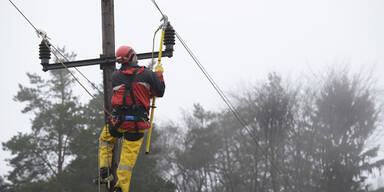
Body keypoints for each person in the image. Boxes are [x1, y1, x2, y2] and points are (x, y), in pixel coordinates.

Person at [98, 45, 165, 192]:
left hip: (117, 121)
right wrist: (159, 74)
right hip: (136, 123)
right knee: (127, 160)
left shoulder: (115, 76)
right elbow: (159, 91)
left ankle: (104, 168)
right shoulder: (147, 74)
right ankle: (120, 188)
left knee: (105, 140)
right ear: (132, 57)